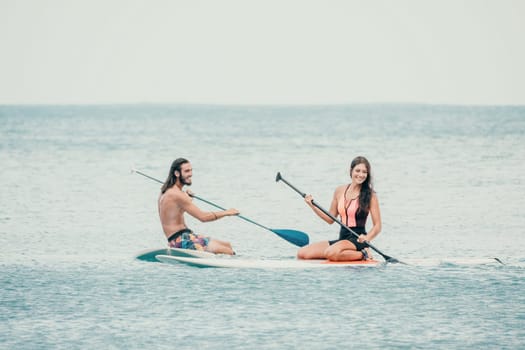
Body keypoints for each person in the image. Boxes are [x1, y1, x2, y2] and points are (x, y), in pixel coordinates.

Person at [297, 156, 382, 261]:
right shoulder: (339, 191)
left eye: (364, 172)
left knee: (330, 253)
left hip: (358, 240)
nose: (361, 175)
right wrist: (312, 205)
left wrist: (367, 238)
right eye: (358, 171)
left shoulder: (370, 195)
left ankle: (363, 254)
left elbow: (377, 226)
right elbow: (330, 219)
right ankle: (341, 253)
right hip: (343, 239)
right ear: (351, 171)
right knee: (302, 253)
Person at [158, 158, 239, 255]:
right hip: (181, 241)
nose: (191, 174)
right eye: (187, 171)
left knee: (227, 245)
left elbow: (176, 211)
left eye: (191, 170)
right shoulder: (177, 194)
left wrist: (186, 197)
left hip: (185, 237)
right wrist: (227, 212)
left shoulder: (166, 191)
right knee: (227, 251)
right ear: (177, 173)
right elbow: (203, 217)